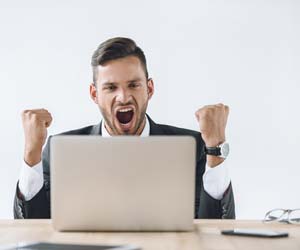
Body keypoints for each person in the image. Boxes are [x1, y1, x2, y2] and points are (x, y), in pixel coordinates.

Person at [14, 37, 235, 219]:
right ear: (95, 94)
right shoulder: (60, 150)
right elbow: (36, 236)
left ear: (149, 88)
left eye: (133, 85)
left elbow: (214, 235)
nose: (123, 97)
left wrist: (215, 151)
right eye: (110, 87)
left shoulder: (194, 147)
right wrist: (31, 156)